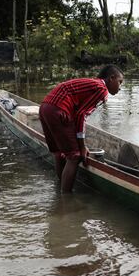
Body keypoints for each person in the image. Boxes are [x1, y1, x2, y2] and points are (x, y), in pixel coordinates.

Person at [39, 65, 124, 193]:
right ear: (111, 78)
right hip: (59, 110)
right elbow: (81, 115)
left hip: (45, 107)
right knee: (75, 156)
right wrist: (82, 147)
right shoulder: (102, 89)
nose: (120, 87)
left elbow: (76, 112)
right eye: (120, 82)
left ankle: (60, 187)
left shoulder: (92, 84)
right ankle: (66, 199)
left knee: (59, 153)